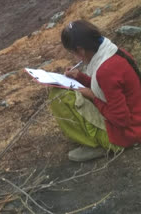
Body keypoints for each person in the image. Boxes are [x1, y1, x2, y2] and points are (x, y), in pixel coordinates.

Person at [49, 20, 141, 162]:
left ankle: (99, 143)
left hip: (129, 133)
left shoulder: (106, 70)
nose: (74, 57)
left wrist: (92, 97)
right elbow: (108, 88)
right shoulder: (113, 51)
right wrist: (80, 77)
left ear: (80, 50)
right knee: (65, 91)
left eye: (73, 53)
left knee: (59, 95)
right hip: (136, 117)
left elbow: (120, 120)